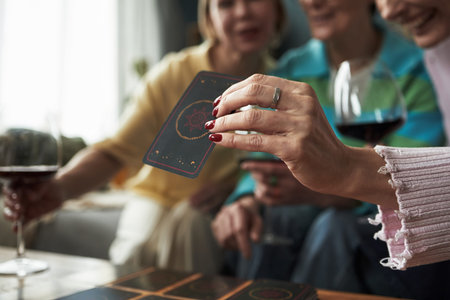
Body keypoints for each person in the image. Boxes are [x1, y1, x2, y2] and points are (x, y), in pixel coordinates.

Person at [2, 0, 285, 274]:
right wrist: (58, 189)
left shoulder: (285, 82)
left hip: (208, 209)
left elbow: (272, 164)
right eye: (225, 3)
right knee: (137, 247)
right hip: (153, 197)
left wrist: (231, 189)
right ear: (209, 17)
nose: (243, 12)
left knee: (191, 226)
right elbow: (115, 151)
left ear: (277, 8)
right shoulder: (173, 72)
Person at [205, 0, 450, 297]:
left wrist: (328, 192)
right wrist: (245, 199)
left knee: (334, 226)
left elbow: (415, 185)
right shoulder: (292, 70)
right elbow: (261, 159)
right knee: (264, 220)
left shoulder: (417, 66)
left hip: (373, 222)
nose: (312, 2)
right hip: (303, 216)